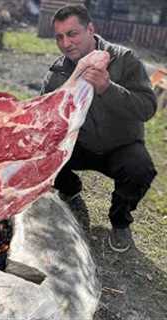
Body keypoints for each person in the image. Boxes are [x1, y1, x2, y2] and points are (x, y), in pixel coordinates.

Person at [41, 5, 157, 253]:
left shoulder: (124, 59)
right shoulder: (57, 73)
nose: (66, 43)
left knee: (140, 169)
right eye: (59, 37)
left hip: (120, 146)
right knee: (42, 153)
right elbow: (45, 117)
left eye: (72, 34)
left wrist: (107, 88)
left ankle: (120, 221)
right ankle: (71, 189)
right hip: (80, 146)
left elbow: (147, 107)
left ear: (90, 29)